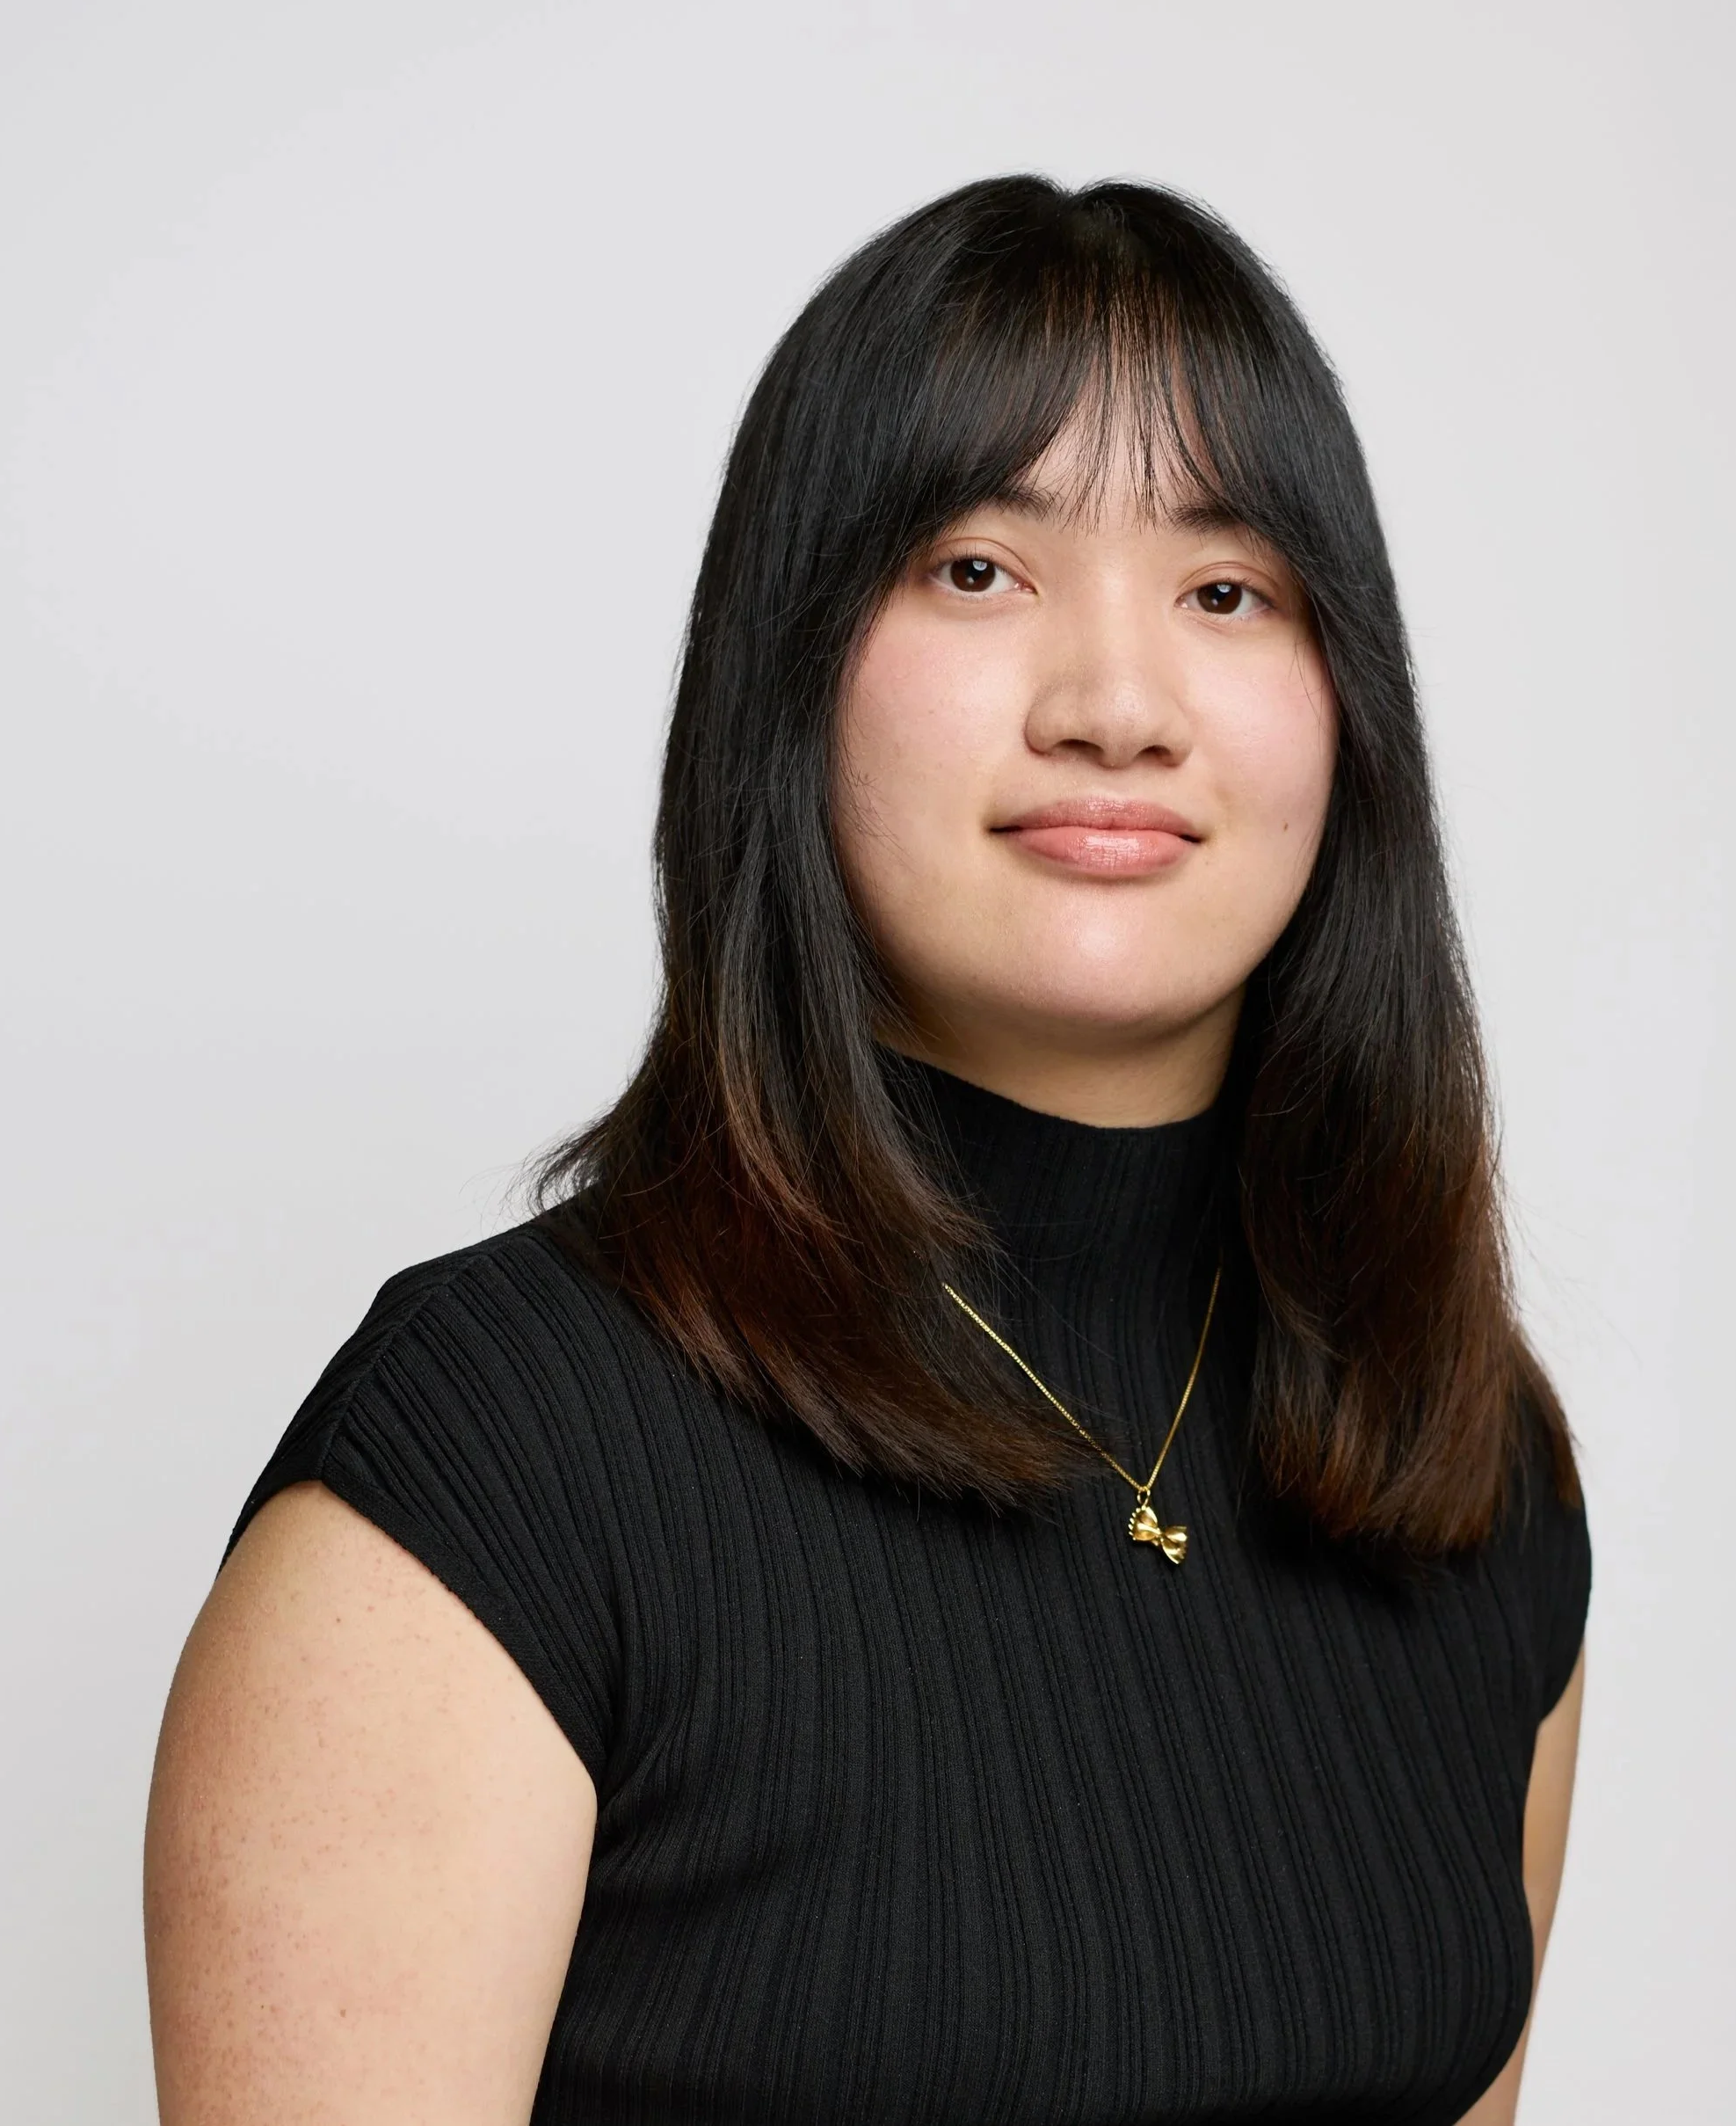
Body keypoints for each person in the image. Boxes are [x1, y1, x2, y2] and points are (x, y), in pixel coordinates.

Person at [145, 175, 1589, 2126]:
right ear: (793, 667)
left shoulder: (1463, 1464)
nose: (1114, 706)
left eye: (1225, 588)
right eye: (975, 568)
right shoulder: (493, 1462)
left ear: (1347, 712)